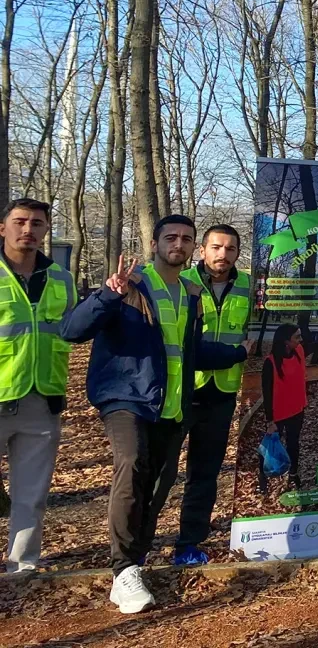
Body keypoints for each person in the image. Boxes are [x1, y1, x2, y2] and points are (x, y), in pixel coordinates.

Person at [63, 215, 250, 614]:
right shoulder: (131, 285)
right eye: (171, 237)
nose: (177, 244)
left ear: (191, 246)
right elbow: (72, 330)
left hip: (172, 403)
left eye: (185, 238)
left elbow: (191, 352)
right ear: (155, 243)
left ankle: (137, 558)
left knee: (159, 483)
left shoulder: (189, 293)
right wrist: (108, 295)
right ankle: (124, 569)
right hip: (126, 397)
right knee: (131, 464)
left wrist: (238, 353)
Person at [0, 198, 81, 573]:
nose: (28, 229)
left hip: (42, 399)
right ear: (3, 228)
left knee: (31, 495)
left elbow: (75, 330)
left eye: (37, 223)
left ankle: (22, 566)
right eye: (19, 221)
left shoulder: (61, 280)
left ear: (46, 229)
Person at [171, 224, 252, 567]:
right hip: (179, 389)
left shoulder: (250, 285)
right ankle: (138, 544)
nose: (223, 254)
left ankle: (189, 543)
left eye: (231, 249)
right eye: (216, 247)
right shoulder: (180, 281)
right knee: (158, 472)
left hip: (222, 392)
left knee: (204, 472)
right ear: (202, 250)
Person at [259, 325, 307, 493]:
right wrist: (270, 421)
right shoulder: (270, 363)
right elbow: (267, 393)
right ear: (286, 341)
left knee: (293, 444)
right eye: (297, 337)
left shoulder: (299, 352)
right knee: (270, 446)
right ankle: (263, 476)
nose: (300, 340)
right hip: (278, 414)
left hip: (297, 410)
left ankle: (293, 473)